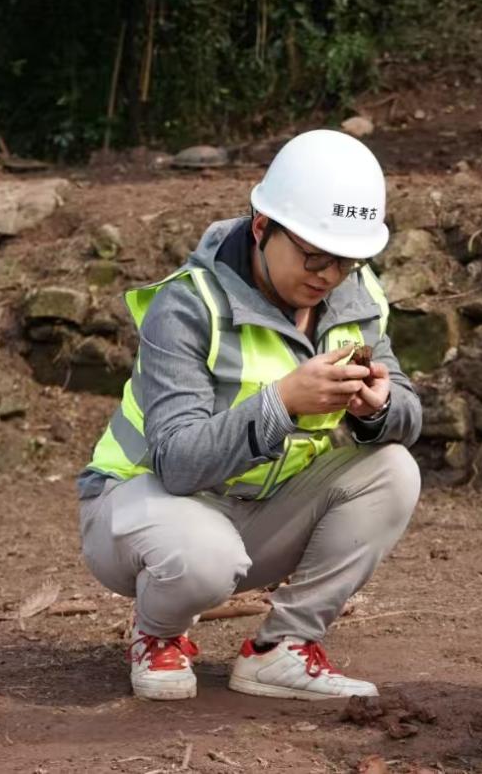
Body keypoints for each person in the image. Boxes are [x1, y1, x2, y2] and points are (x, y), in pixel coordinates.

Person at [77, 129, 422, 702]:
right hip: (139, 510)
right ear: (262, 226)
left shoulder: (356, 296)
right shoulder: (188, 304)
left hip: (255, 514)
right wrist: (282, 402)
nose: (328, 275)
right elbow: (176, 463)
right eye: (314, 255)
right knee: (204, 555)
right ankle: (157, 632)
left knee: (393, 470)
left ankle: (282, 649)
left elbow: (409, 411)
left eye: (345, 260)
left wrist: (379, 407)